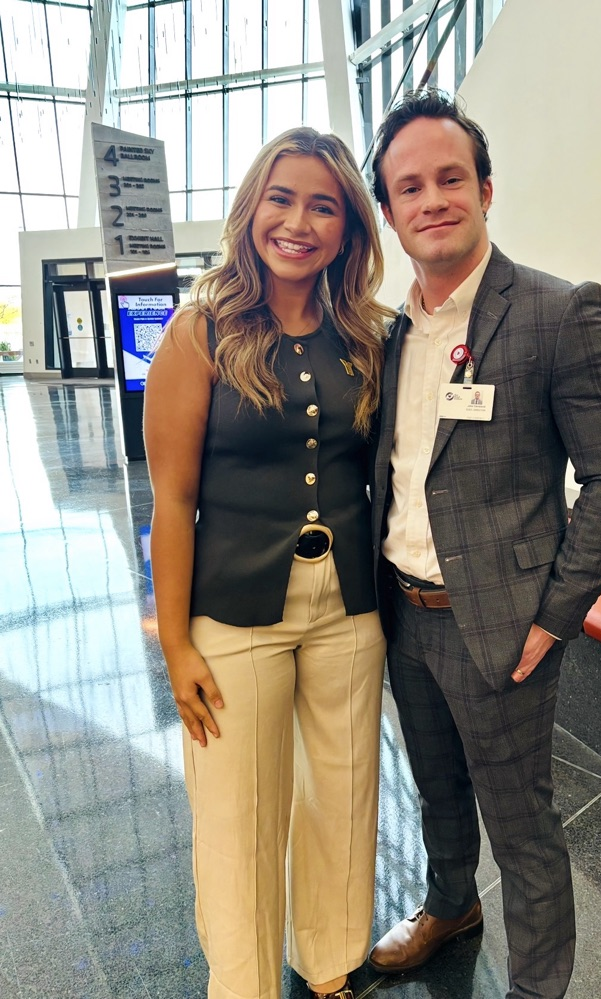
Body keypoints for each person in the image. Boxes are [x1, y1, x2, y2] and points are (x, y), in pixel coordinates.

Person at [367, 89, 601, 998]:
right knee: (436, 786)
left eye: (451, 177)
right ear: (388, 212)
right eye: (409, 187)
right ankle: (450, 902)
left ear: (487, 189)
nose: (432, 199)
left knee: (523, 825)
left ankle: (537, 986)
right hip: (402, 611)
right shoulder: (386, 331)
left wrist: (554, 615)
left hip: (504, 626)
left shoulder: (559, 311)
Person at [144, 127, 393, 999]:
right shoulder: (200, 333)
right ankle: (244, 983)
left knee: (345, 793)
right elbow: (171, 503)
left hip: (350, 606)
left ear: (348, 229)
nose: (299, 221)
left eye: (324, 205)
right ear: (252, 210)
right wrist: (175, 645)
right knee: (238, 813)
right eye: (282, 199)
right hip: (235, 607)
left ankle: (328, 961)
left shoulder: (367, 334)